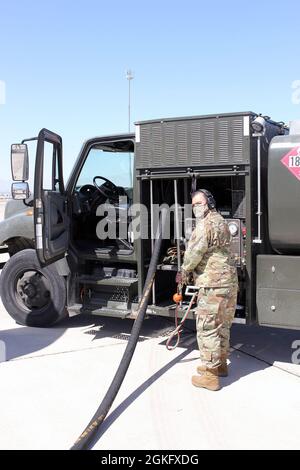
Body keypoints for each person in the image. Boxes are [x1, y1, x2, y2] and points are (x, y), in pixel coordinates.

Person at [177, 189, 238, 391]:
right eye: (193, 204)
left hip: (212, 284)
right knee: (223, 325)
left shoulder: (204, 225)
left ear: (208, 203)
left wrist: (183, 272)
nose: (196, 207)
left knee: (207, 327)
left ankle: (210, 376)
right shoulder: (221, 220)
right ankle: (220, 365)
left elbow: (194, 252)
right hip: (229, 283)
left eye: (199, 203)